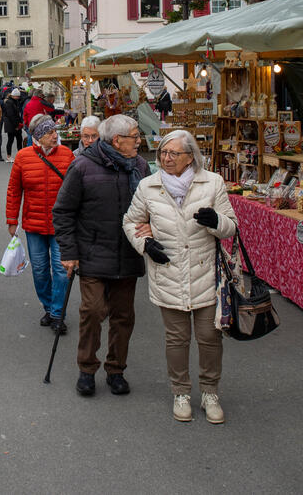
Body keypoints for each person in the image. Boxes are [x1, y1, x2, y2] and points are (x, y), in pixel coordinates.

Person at [122, 129, 238, 424]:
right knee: (177, 339)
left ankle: (210, 392)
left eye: (174, 153)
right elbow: (131, 221)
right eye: (162, 152)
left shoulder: (212, 183)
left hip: (205, 272)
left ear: (190, 157)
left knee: (210, 337)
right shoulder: (149, 186)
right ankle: (181, 392)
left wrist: (217, 222)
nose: (166, 158)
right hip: (168, 271)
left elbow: (231, 227)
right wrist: (146, 245)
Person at [54, 114, 149, 396]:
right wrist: (69, 252)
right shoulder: (82, 166)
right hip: (93, 252)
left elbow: (152, 205)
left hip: (128, 253)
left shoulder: (141, 166)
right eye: (134, 136)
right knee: (92, 311)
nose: (139, 141)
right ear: (117, 141)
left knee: (123, 316)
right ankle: (86, 368)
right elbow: (63, 211)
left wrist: (151, 225)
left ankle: (116, 369)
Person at [6, 113, 75, 334]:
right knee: (40, 270)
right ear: (37, 137)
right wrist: (11, 219)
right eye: (49, 132)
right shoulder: (23, 157)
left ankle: (57, 313)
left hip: (61, 226)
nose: (55, 135)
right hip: (33, 224)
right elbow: (14, 190)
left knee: (61, 269)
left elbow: (77, 191)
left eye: (55, 131)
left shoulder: (67, 155)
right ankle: (48, 306)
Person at [3, 88, 24, 157]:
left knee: (19, 140)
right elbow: (11, 115)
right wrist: (16, 126)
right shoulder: (9, 102)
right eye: (17, 96)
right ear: (13, 96)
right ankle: (9, 156)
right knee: (11, 140)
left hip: (15, 124)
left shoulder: (15, 102)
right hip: (11, 124)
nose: (18, 97)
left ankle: (20, 154)